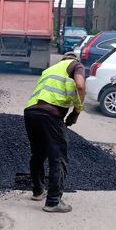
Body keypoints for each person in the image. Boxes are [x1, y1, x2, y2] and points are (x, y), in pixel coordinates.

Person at [24, 52, 85, 213]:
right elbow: (80, 85)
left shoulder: (50, 70)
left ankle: (38, 191)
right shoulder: (76, 65)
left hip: (30, 112)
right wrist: (76, 112)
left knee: (37, 154)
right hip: (49, 115)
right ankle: (53, 201)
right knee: (58, 156)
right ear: (73, 60)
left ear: (62, 60)